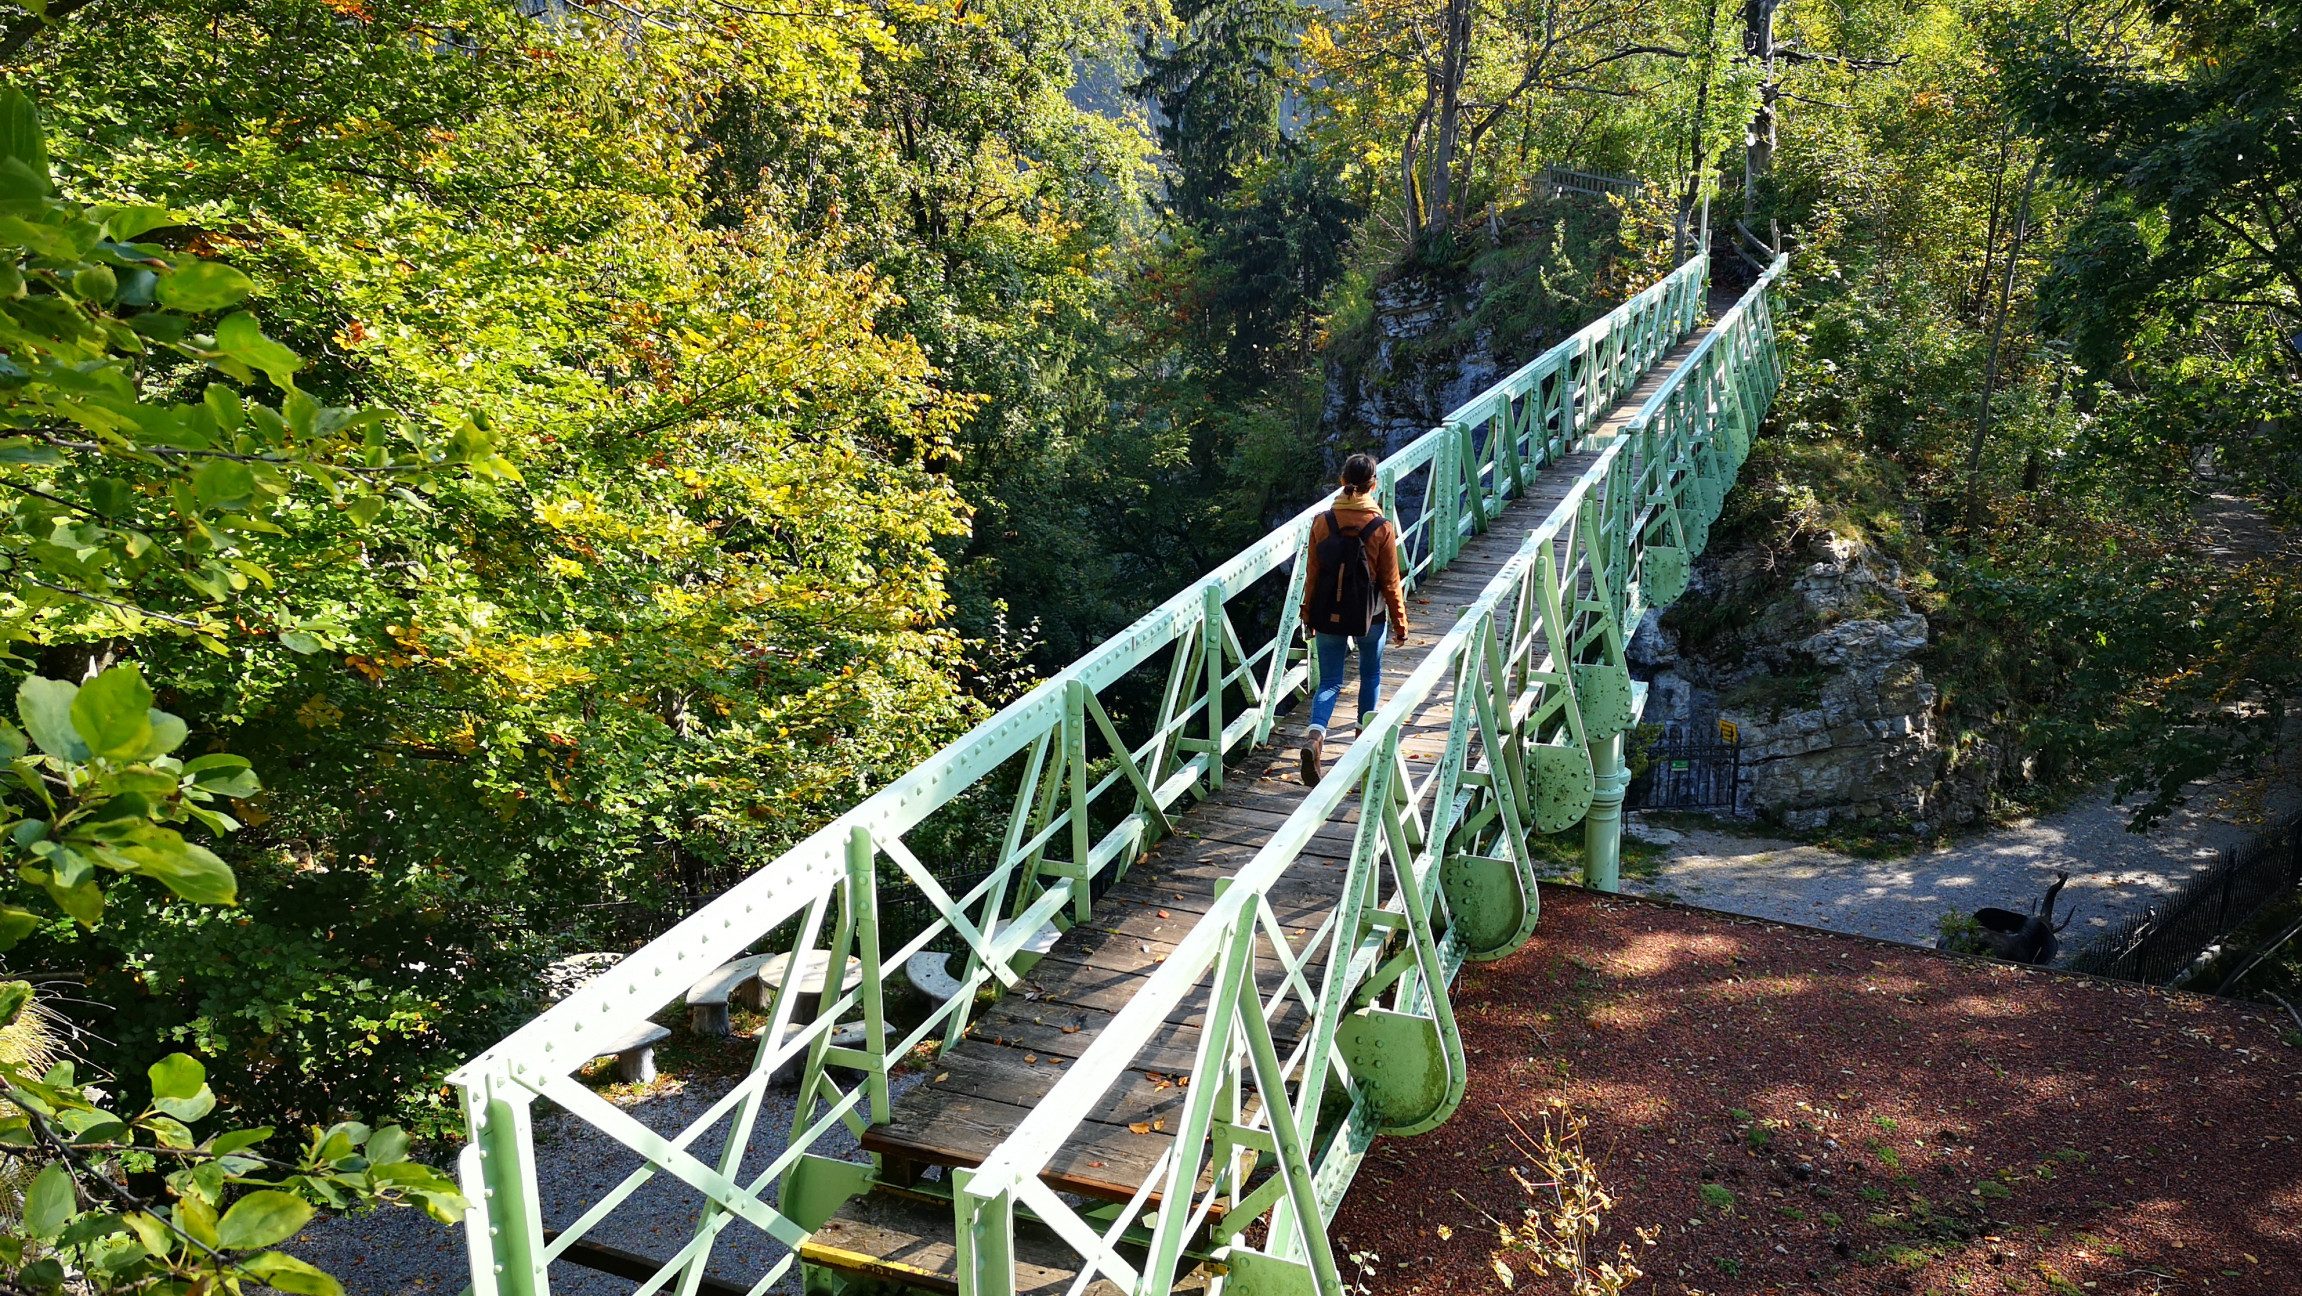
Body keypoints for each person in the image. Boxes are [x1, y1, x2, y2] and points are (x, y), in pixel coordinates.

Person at [1298, 453, 1408, 787]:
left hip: (1328, 613)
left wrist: (1307, 613)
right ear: (1373, 485)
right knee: (1370, 674)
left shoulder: (1322, 521)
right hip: (1369, 615)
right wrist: (1400, 622)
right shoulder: (1381, 527)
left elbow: (1313, 574)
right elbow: (1390, 582)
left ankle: (1316, 737)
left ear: (1342, 481)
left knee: (1330, 680)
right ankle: (1362, 749)